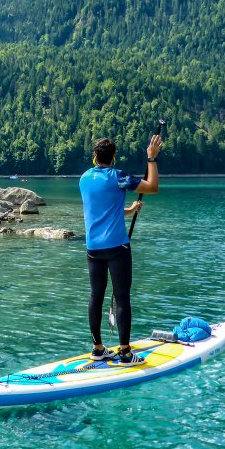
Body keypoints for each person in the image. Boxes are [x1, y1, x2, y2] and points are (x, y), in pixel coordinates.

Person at [79, 133, 162, 364]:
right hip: (117, 248)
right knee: (122, 298)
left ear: (95, 156)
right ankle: (125, 352)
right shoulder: (119, 177)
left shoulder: (84, 179)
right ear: (113, 157)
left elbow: (101, 210)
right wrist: (151, 158)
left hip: (93, 249)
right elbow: (152, 187)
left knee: (96, 296)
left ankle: (97, 348)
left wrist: (128, 210)